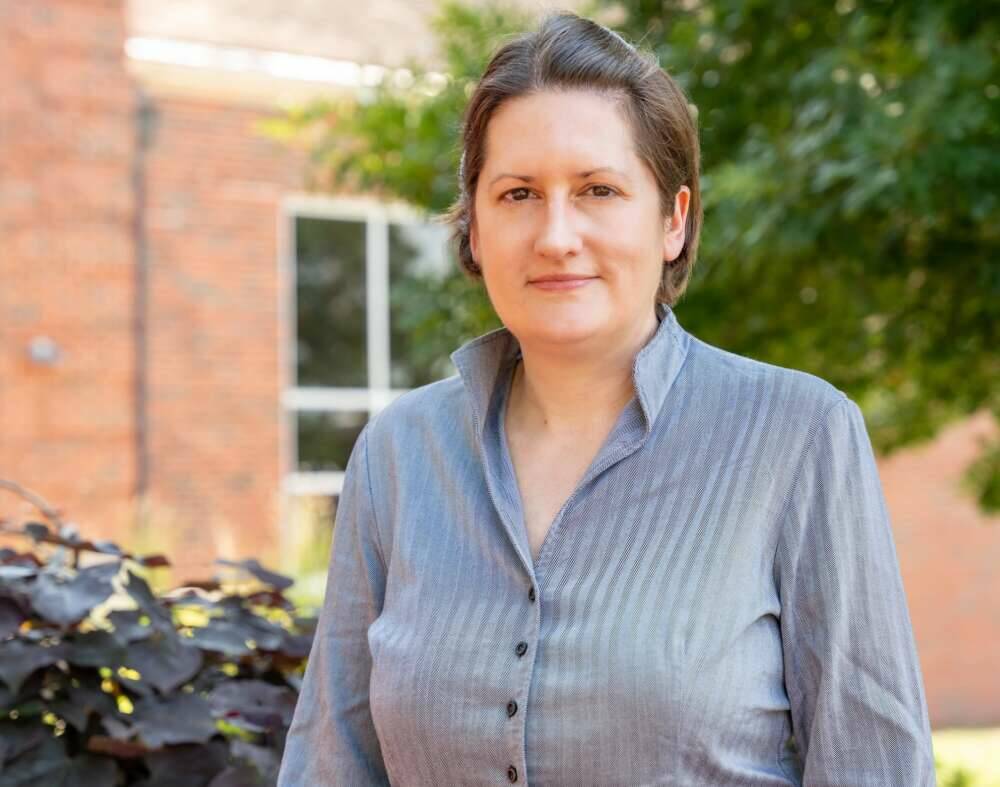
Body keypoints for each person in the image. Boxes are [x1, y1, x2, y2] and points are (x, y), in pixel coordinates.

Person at [277, 12, 935, 786]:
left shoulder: (798, 436)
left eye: (598, 189)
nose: (557, 235)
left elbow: (874, 765)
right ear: (476, 228)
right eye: (518, 193)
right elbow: (332, 764)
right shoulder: (399, 454)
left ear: (672, 220)